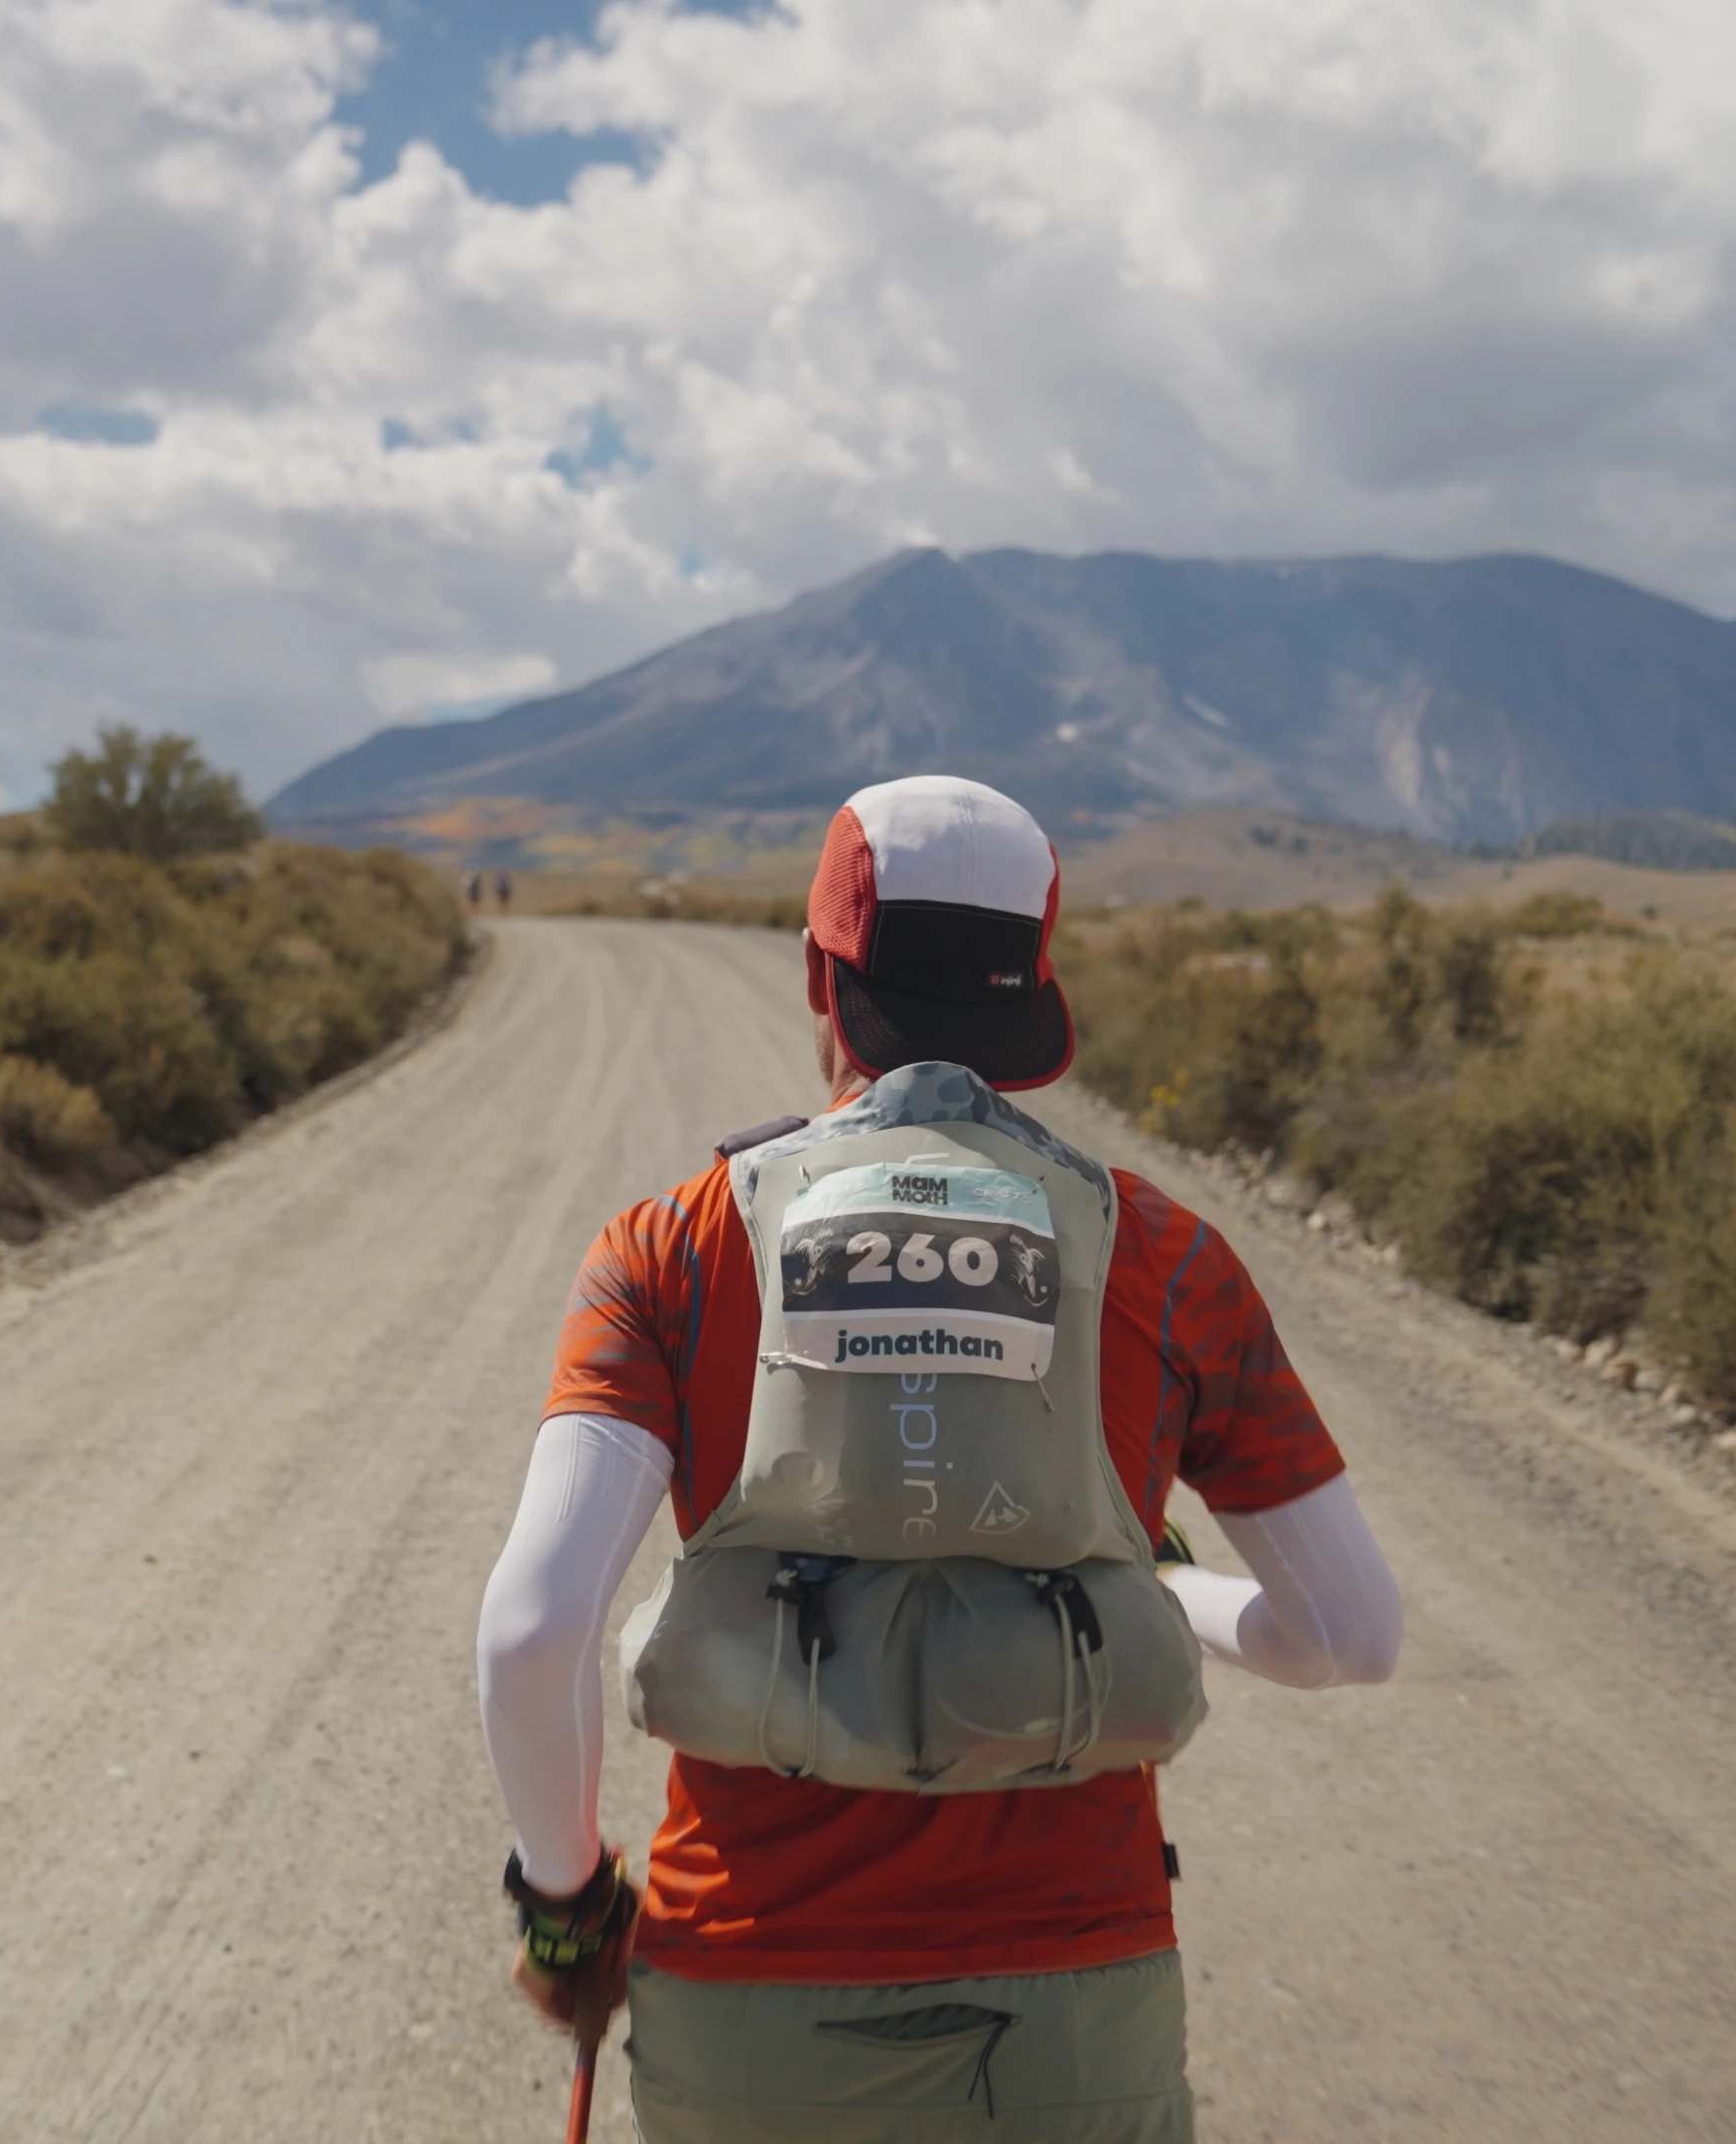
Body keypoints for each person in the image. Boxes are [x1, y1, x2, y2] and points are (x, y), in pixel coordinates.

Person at [477, 774, 1402, 2141]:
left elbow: (532, 1632)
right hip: (1077, 2000)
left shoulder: (669, 1248)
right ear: (1034, 989)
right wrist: (1162, 1586)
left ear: (821, 976)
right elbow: (1351, 1637)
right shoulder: (1169, 1258)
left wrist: (567, 1918)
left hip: (750, 2003)